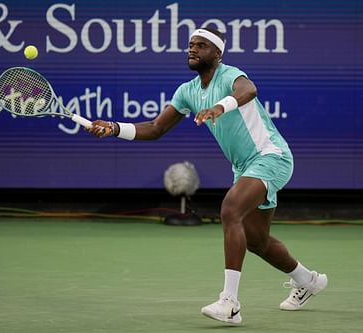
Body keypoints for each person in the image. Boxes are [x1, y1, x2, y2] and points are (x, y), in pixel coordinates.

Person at [87, 27, 327, 325]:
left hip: (271, 156)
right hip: (244, 167)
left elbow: (248, 91)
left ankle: (230, 303)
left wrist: (219, 106)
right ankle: (309, 281)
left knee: (230, 209)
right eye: (191, 45)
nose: (193, 50)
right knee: (257, 241)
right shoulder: (187, 91)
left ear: (217, 54)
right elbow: (156, 128)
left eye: (201, 46)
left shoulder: (230, 76)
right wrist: (113, 128)